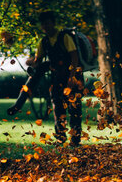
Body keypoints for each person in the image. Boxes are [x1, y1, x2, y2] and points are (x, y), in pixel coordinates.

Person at [7, 11, 84, 146]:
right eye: (43, 24)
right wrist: (30, 62)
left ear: (53, 23)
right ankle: (60, 137)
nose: (45, 26)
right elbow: (38, 61)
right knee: (58, 107)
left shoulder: (64, 37)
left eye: (47, 23)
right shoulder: (44, 42)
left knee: (74, 108)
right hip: (57, 79)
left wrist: (72, 78)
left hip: (72, 77)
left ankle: (75, 140)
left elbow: (74, 57)